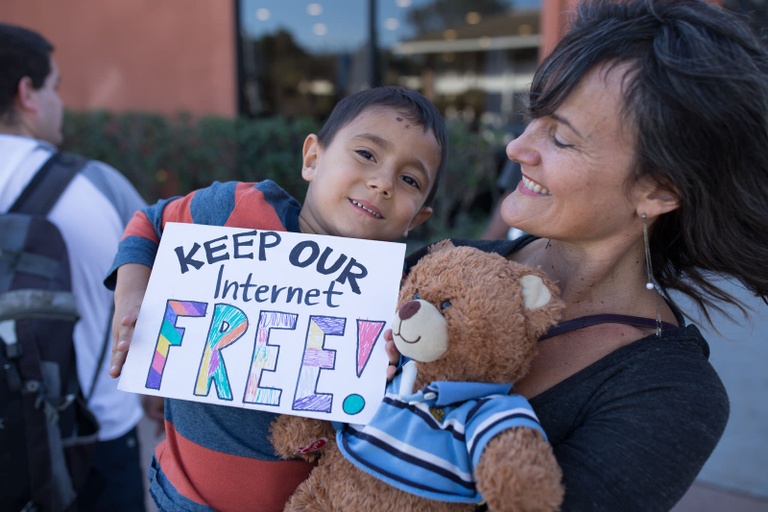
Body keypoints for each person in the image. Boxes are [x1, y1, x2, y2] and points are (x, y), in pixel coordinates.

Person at [402, 0, 768, 510]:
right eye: (532, 117)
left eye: (560, 138)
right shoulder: (441, 265)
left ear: (659, 191)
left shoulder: (671, 394)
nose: (518, 148)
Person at [106, 85, 448, 512]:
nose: (382, 182)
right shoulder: (234, 208)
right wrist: (134, 297)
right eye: (366, 154)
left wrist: (395, 366)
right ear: (312, 158)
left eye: (409, 179)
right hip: (180, 497)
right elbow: (148, 224)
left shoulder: (398, 298)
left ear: (417, 218)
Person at [0, 23, 155, 511]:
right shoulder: (96, 187)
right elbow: (157, 294)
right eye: (55, 86)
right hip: (92, 439)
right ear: (27, 93)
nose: (58, 102)